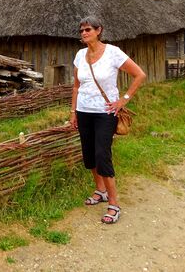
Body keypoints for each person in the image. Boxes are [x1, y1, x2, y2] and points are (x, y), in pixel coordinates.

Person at [70, 16, 146, 224]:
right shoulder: (80, 55)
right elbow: (76, 86)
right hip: (83, 111)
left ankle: (114, 204)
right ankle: (100, 190)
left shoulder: (113, 52)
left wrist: (124, 99)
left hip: (105, 113)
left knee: (102, 154)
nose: (84, 33)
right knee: (89, 155)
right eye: (81, 30)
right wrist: (73, 111)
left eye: (88, 29)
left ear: (98, 30)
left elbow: (139, 74)